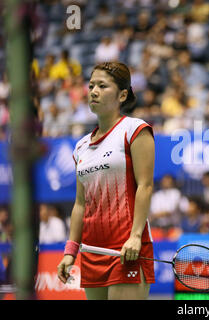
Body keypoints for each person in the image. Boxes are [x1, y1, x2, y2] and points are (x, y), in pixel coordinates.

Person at [57, 62, 156, 300]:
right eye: (91, 85)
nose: (93, 91)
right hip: (93, 250)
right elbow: (81, 203)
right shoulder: (81, 146)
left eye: (102, 85)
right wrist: (71, 251)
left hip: (127, 249)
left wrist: (135, 237)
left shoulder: (135, 130)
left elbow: (145, 186)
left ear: (123, 94)